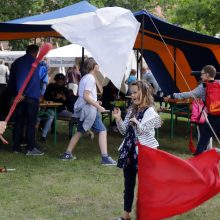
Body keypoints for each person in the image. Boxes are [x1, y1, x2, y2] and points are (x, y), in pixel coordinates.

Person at [112, 80, 162, 220]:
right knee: (128, 185)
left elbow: (144, 131)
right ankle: (126, 215)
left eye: (135, 92)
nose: (132, 96)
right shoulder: (132, 109)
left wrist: (137, 123)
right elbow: (124, 132)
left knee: (146, 187)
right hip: (129, 152)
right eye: (131, 93)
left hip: (144, 153)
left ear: (144, 92)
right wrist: (118, 119)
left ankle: (147, 214)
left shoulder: (151, 111)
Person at [60, 57, 116, 165]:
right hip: (89, 110)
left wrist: (95, 102)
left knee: (81, 131)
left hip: (87, 108)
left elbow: (85, 96)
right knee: (102, 130)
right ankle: (105, 158)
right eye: (97, 64)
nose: (99, 66)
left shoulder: (85, 77)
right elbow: (86, 96)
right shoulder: (90, 78)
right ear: (93, 66)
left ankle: (67, 154)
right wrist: (99, 107)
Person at [165, 65, 220, 155]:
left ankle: (197, 160)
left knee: (203, 139)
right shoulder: (219, 83)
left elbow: (188, 94)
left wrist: (172, 95)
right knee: (204, 138)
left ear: (207, 75)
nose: (201, 76)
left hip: (212, 118)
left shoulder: (203, 87)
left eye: (202, 74)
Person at [8, 44, 44, 155]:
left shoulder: (17, 62)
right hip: (31, 97)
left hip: (19, 97)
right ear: (36, 52)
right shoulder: (35, 63)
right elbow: (33, 80)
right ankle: (30, 148)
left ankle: (16, 147)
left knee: (18, 122)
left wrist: (17, 93)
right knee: (31, 123)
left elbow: (12, 81)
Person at [40, 73, 74, 141]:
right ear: (56, 80)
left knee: (72, 116)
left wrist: (64, 98)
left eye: (62, 81)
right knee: (51, 116)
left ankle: (71, 135)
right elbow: (46, 98)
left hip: (61, 110)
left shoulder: (65, 89)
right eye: (59, 81)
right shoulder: (50, 87)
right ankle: (43, 136)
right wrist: (55, 97)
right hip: (51, 108)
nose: (60, 82)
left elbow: (68, 102)